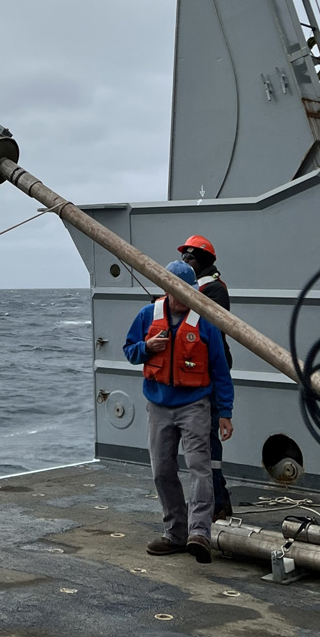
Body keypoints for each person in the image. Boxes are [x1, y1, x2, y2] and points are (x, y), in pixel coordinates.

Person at [123, 260, 234, 564]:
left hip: (194, 405)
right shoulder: (148, 315)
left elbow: (220, 370)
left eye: (184, 291)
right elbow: (129, 351)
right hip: (159, 406)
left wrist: (225, 411)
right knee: (162, 470)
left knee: (200, 468)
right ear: (166, 288)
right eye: (174, 290)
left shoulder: (205, 322)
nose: (179, 297)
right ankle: (175, 533)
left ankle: (199, 534)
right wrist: (147, 347)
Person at [178, 234, 232, 519]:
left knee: (208, 438)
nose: (186, 260)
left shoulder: (215, 290)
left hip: (210, 370)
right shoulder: (191, 289)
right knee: (198, 439)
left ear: (204, 261)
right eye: (184, 256)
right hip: (192, 370)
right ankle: (215, 499)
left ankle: (217, 500)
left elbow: (204, 319)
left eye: (191, 257)